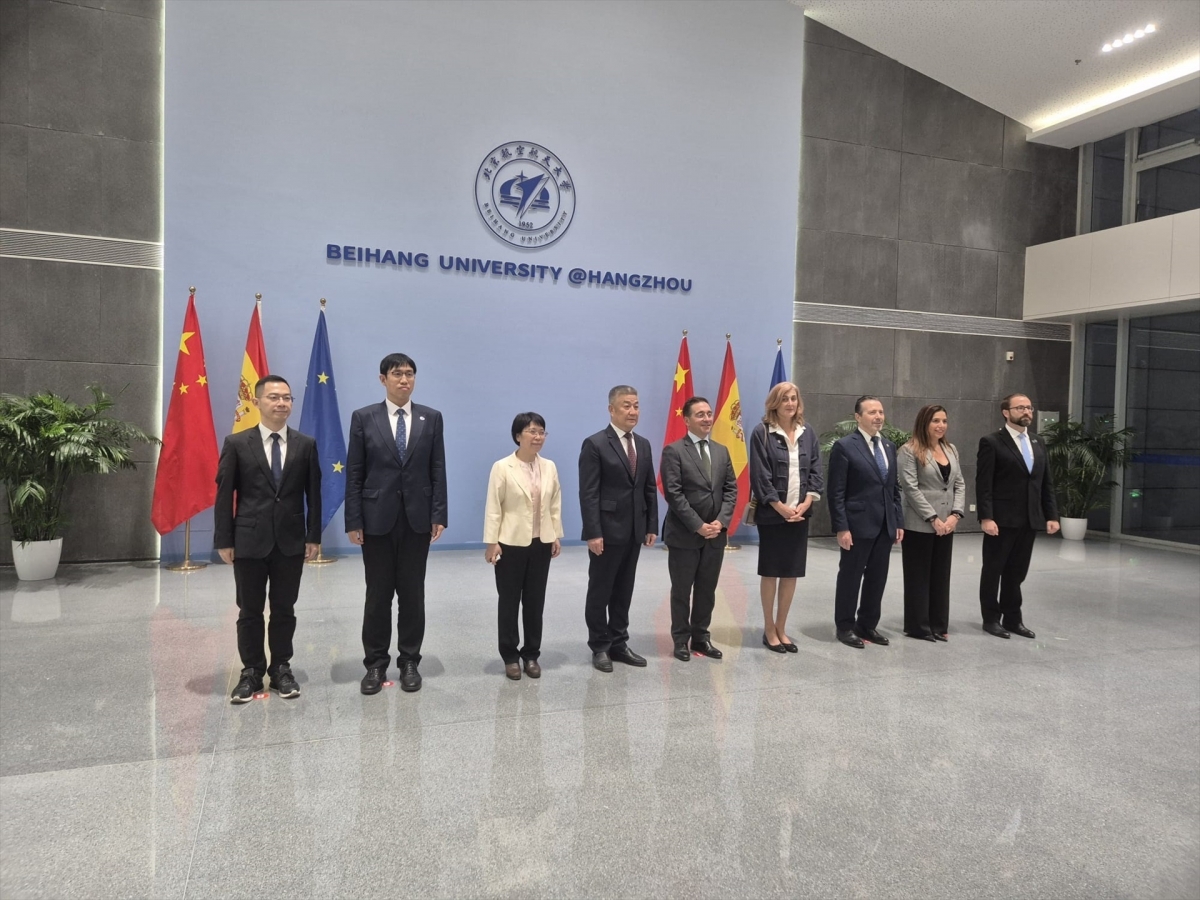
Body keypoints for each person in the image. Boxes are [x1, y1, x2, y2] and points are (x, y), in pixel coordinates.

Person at [214, 375, 322, 703]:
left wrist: (313, 536)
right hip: (248, 540)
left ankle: (280, 669)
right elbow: (224, 495)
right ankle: (250, 672)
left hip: (290, 541)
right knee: (249, 609)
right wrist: (224, 539)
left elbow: (313, 495)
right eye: (274, 397)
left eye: (287, 398)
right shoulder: (237, 444)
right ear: (258, 401)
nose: (281, 403)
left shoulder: (305, 444)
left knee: (284, 608)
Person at [345, 353, 447, 694]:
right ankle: (375, 664)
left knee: (412, 594)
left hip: (417, 520)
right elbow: (355, 472)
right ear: (382, 379)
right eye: (397, 374)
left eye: (409, 374)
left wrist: (438, 514)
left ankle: (409, 661)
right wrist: (353, 519)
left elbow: (437, 469)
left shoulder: (431, 418)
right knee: (377, 596)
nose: (404, 380)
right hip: (376, 520)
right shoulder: (364, 418)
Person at [579, 385, 659, 672]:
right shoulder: (596, 444)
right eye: (626, 405)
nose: (633, 411)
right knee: (600, 590)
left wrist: (651, 524)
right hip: (606, 531)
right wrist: (593, 532)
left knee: (624, 590)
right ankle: (599, 646)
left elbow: (649, 488)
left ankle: (619, 642)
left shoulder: (645, 444)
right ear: (611, 409)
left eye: (636, 405)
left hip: (635, 531)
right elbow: (588, 493)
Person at [483, 412, 564, 680]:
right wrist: (492, 542)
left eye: (541, 431)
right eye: (532, 431)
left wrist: (555, 535)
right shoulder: (502, 467)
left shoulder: (549, 466)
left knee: (534, 601)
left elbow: (554, 504)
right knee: (509, 601)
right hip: (510, 544)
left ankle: (531, 654)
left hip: (541, 543)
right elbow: (494, 507)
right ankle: (509, 655)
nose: (538, 436)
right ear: (518, 435)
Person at [659, 396, 738, 661]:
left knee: (707, 589)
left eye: (709, 413)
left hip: (715, 535)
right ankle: (681, 640)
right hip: (685, 535)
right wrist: (698, 525)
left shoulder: (721, 450)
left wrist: (721, 522)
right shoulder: (674, 451)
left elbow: (730, 489)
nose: (706, 419)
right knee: (682, 590)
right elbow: (673, 493)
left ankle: (701, 637)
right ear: (687, 420)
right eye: (700, 414)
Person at [747, 382, 823, 653]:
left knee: (790, 574)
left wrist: (805, 504)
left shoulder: (807, 431)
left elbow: (815, 469)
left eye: (793, 398)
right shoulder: (762, 433)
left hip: (800, 514)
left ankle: (781, 627)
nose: (790, 403)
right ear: (774, 403)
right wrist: (779, 507)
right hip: (773, 514)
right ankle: (768, 629)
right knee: (771, 572)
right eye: (784, 399)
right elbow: (760, 475)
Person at [976, 393, 1060, 639]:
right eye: (1021, 407)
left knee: (1017, 573)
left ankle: (1013, 618)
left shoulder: (1038, 442)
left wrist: (1051, 515)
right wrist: (986, 517)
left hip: (1029, 519)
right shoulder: (991, 442)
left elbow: (1046, 482)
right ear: (1006, 412)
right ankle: (991, 619)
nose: (1027, 412)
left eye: (1029, 408)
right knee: (993, 570)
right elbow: (984, 484)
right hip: (1001, 520)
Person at [827, 395, 904, 648]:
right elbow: (836, 491)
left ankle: (867, 625)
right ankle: (845, 626)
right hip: (857, 525)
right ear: (858, 417)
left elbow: (893, 488)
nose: (878, 416)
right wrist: (841, 527)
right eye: (872, 412)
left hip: (884, 525)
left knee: (877, 578)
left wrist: (898, 521)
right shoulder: (845, 446)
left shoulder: (889, 447)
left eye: (880, 412)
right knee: (850, 577)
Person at [898, 405, 966, 642]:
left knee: (940, 575)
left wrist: (955, 515)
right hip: (920, 523)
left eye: (944, 421)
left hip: (947, 522)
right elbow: (910, 488)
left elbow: (959, 484)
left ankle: (938, 624)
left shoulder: (951, 449)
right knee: (918, 576)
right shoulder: (909, 450)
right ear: (924, 423)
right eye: (935, 420)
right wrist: (933, 518)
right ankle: (918, 626)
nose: (941, 425)